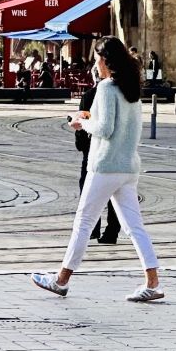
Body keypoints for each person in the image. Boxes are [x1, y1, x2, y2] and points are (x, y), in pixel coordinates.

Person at [32, 36, 163, 302]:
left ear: (105, 60)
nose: (95, 65)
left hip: (105, 166)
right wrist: (90, 119)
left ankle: (61, 280)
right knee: (134, 227)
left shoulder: (106, 88)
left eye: (96, 59)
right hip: (128, 167)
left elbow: (104, 129)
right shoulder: (131, 89)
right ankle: (153, 283)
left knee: (83, 222)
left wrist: (80, 123)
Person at [75, 64, 121, 243]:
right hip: (115, 151)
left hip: (93, 152)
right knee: (114, 195)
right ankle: (112, 232)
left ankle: (92, 229)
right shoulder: (120, 95)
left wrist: (81, 144)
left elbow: (83, 123)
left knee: (89, 193)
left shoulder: (89, 96)